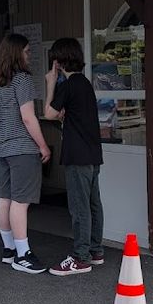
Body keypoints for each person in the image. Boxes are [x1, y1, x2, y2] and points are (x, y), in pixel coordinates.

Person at [43, 37, 105, 276]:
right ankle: (95, 250)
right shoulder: (85, 83)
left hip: (76, 154)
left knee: (79, 207)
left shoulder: (67, 85)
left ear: (58, 62)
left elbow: (48, 113)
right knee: (93, 203)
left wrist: (50, 83)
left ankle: (80, 257)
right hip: (92, 153)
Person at [0, 33, 51, 274]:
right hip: (22, 148)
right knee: (21, 202)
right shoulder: (22, 80)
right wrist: (43, 145)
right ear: (18, 53)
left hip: (3, 147)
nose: (29, 55)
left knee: (5, 199)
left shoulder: (1, 81)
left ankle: (9, 249)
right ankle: (23, 254)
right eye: (27, 51)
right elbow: (28, 118)